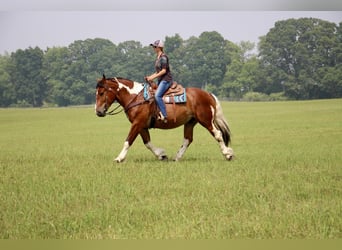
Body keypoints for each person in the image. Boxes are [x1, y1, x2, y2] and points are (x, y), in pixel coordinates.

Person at [146, 40, 172, 123]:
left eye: (154, 47)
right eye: (153, 47)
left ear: (159, 48)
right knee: (150, 93)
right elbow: (158, 72)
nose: (153, 48)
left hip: (166, 80)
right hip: (160, 80)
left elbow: (163, 71)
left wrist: (153, 77)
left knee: (157, 96)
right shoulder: (158, 58)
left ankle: (164, 115)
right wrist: (150, 77)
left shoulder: (163, 57)